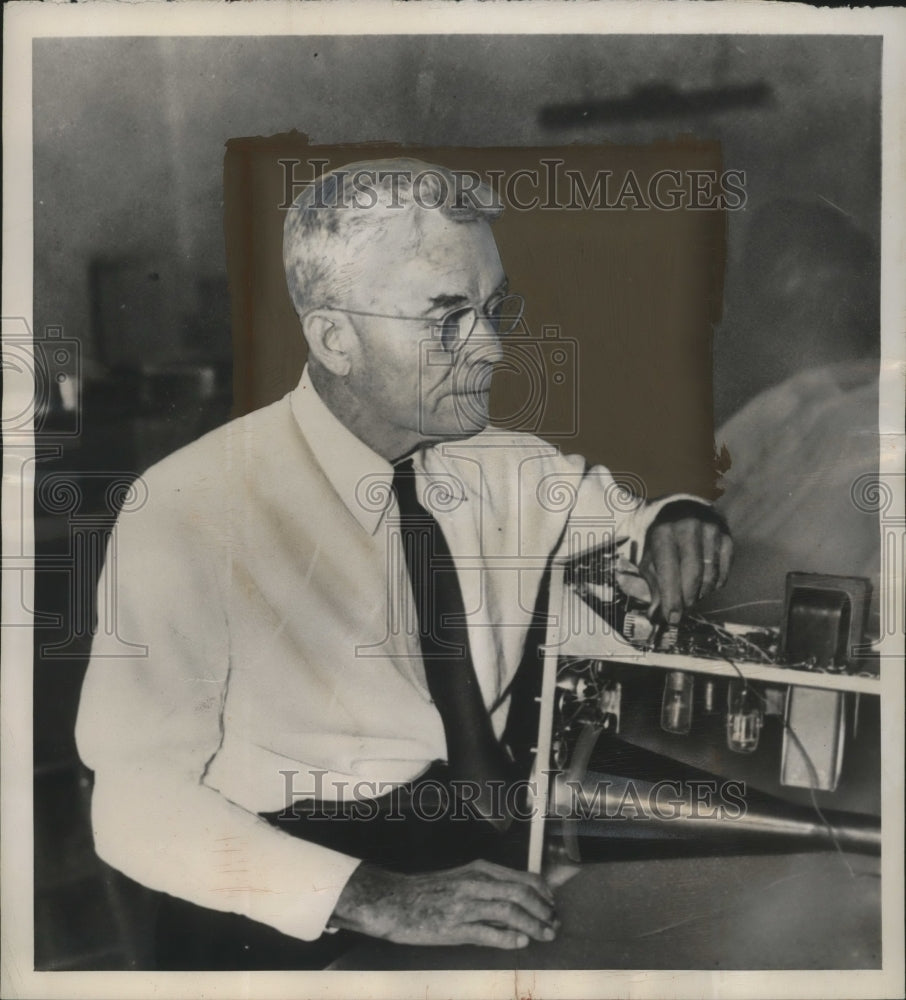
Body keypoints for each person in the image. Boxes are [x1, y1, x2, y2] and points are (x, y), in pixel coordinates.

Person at [75, 158, 732, 969]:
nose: (491, 349)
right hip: (284, 909)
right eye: (447, 317)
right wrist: (375, 898)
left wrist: (679, 519)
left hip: (478, 867)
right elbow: (134, 807)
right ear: (334, 337)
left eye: (495, 308)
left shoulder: (510, 468)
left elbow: (636, 524)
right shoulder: (188, 509)